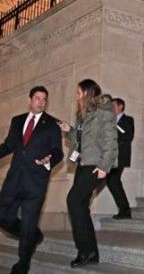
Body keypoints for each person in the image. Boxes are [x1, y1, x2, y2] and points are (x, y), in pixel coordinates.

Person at [0, 86, 63, 274]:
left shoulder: (52, 125)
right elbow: (9, 146)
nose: (41, 102)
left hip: (36, 182)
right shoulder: (17, 121)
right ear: (29, 99)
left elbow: (58, 152)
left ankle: (23, 263)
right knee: (1, 217)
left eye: (44, 99)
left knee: (28, 223)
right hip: (14, 180)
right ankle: (33, 236)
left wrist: (50, 159)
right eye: (37, 98)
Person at [59, 79, 117, 268]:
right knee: (81, 205)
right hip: (82, 165)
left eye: (78, 93)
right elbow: (81, 140)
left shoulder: (104, 112)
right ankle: (91, 252)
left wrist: (104, 166)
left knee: (73, 201)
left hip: (95, 166)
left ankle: (84, 250)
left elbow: (111, 141)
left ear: (86, 92)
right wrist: (70, 131)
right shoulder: (83, 115)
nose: (76, 97)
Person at [107, 97, 134, 219]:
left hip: (120, 156)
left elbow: (127, 136)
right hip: (109, 156)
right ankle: (124, 210)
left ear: (120, 107)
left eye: (113, 106)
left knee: (113, 180)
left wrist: (114, 127)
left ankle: (125, 210)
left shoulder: (128, 120)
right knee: (112, 182)